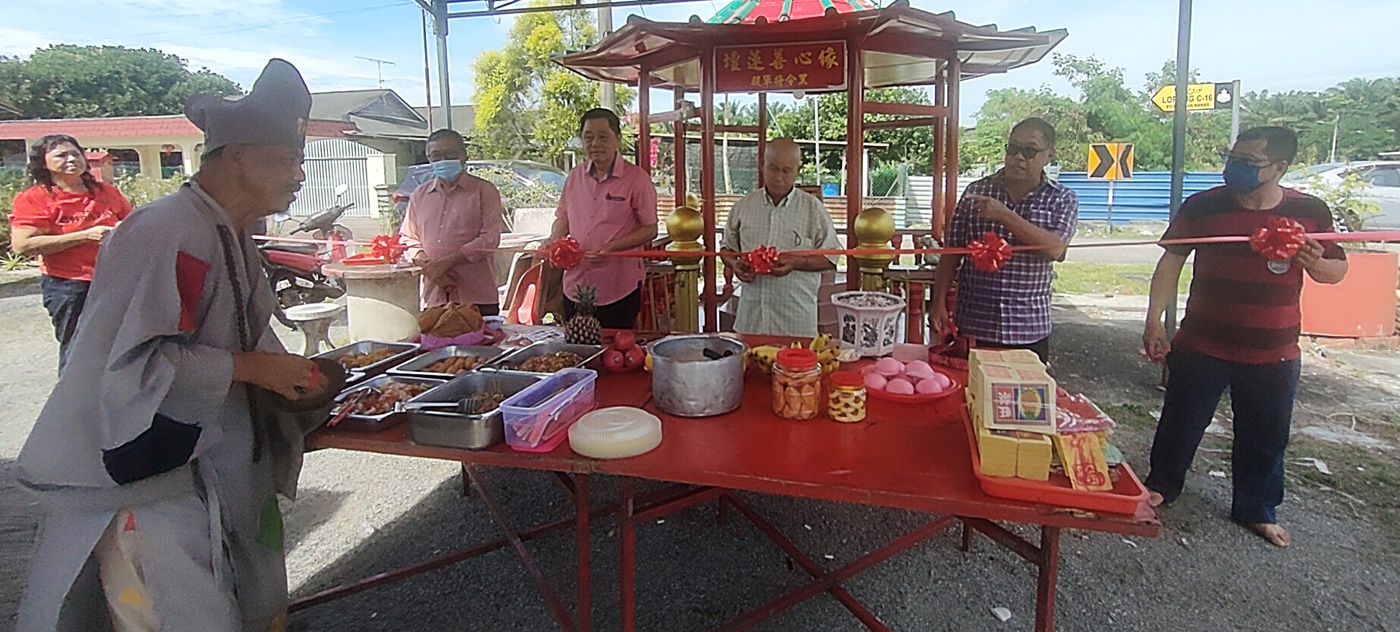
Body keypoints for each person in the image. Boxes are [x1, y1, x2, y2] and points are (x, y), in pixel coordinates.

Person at [16, 59, 333, 632]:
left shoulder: (229, 229)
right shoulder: (167, 231)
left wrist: (290, 377)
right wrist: (249, 368)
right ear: (236, 157)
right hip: (144, 478)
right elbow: (130, 365)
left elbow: (240, 334)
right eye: (287, 160)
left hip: (211, 464)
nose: (299, 175)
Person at [1142, 126, 1347, 548]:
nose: (1234, 167)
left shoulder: (1310, 211)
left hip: (1273, 351)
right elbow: (1171, 262)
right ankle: (1161, 486)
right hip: (1201, 342)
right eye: (1232, 157)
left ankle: (1257, 508)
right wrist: (1154, 320)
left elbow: (1337, 271)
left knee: (1266, 435)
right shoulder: (1204, 206)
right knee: (1180, 422)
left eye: (1249, 162)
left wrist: (1314, 262)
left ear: (1279, 168)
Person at [930, 117, 1078, 365]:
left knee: (1025, 391)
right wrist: (938, 303)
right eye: (1013, 148)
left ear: (1049, 155)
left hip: (1028, 328)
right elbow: (951, 252)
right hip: (975, 324)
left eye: (1029, 151)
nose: (1018, 157)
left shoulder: (1062, 199)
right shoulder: (977, 192)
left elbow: (1055, 248)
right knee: (971, 388)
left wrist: (1005, 216)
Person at [8, 134, 133, 373]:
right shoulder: (36, 198)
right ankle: (73, 396)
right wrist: (84, 236)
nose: (71, 159)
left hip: (113, 281)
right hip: (69, 285)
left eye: (75, 154)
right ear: (44, 163)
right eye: (61, 155)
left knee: (118, 348)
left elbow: (133, 225)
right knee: (78, 351)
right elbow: (22, 245)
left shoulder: (106, 192)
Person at [550, 108, 659, 329]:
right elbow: (563, 218)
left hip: (618, 287)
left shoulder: (637, 179)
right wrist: (553, 242)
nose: (595, 144)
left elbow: (650, 229)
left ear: (617, 139)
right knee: (575, 345)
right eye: (588, 137)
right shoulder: (574, 177)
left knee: (616, 346)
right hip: (575, 284)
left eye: (603, 137)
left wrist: (612, 247)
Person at [720, 138, 839, 336]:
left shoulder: (813, 209)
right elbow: (727, 248)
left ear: (797, 171)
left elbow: (831, 257)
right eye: (773, 168)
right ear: (762, 165)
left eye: (786, 171)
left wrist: (796, 262)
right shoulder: (743, 207)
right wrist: (735, 264)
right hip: (751, 321)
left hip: (796, 323)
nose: (778, 177)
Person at [399, 128, 505, 314]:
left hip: (476, 298)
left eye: (450, 154)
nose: (443, 160)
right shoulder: (420, 195)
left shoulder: (484, 191)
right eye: (436, 156)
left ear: (463, 156)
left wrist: (446, 263)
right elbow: (408, 239)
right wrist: (430, 268)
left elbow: (490, 238)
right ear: (429, 159)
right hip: (434, 297)